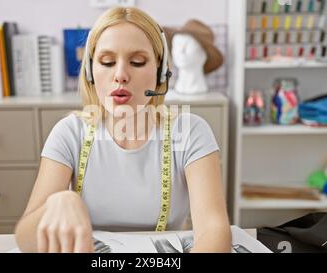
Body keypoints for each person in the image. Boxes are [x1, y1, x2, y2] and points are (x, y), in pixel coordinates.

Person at [14, 6, 231, 253]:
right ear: (90, 71)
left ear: (160, 72)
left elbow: (214, 231)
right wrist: (56, 204)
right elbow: (24, 238)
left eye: (137, 62)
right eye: (107, 62)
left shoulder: (191, 132)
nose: (120, 75)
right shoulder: (70, 133)